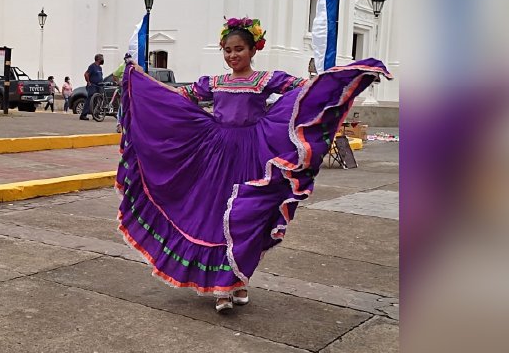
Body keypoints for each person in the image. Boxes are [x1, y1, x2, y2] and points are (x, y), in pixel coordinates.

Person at [115, 17, 391, 313]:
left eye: (239, 49)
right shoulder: (215, 82)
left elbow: (305, 91)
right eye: (228, 51)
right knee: (215, 217)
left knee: (244, 217)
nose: (233, 56)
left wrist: (343, 80)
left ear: (253, 50)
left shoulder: (265, 79)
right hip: (215, 155)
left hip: (251, 155)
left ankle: (238, 280)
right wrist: (143, 80)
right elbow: (177, 97)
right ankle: (221, 287)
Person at [80, 53, 104, 120]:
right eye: (102, 58)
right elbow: (86, 74)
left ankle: (95, 115)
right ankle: (83, 115)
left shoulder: (100, 67)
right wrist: (88, 82)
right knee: (90, 100)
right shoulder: (92, 66)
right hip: (93, 85)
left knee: (97, 100)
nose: (103, 60)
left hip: (99, 86)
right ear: (98, 59)